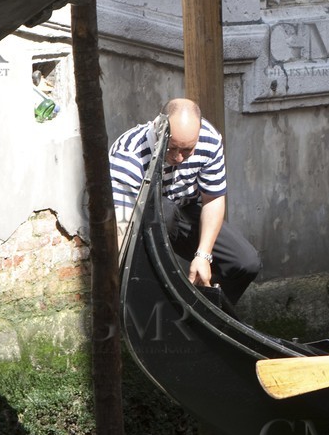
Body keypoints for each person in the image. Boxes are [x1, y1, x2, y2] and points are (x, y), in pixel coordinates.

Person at [108, 98, 261, 305]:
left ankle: (207, 314)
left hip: (184, 209)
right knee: (164, 211)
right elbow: (120, 229)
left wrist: (203, 256)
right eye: (171, 149)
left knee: (245, 262)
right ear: (157, 128)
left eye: (187, 150)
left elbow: (213, 199)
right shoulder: (128, 155)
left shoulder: (209, 140)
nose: (178, 158)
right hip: (136, 225)